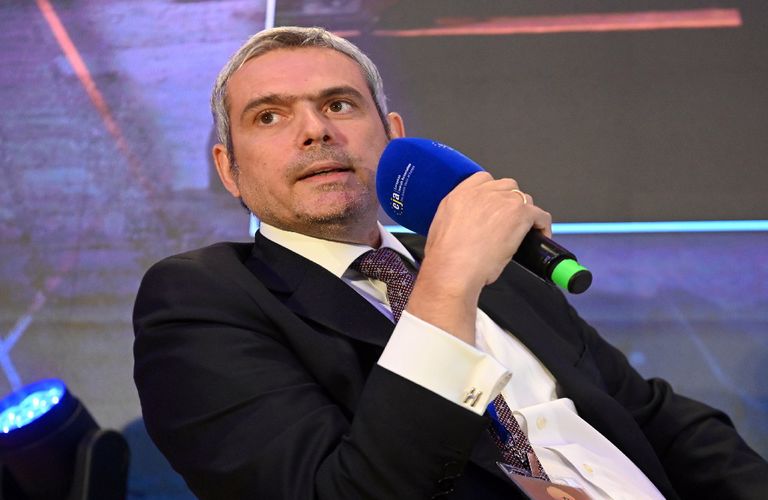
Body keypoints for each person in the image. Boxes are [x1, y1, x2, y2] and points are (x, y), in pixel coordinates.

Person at [133, 26, 768, 499]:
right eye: (269, 116)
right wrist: (448, 282)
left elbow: (659, 421)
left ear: (394, 136)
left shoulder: (497, 269)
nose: (315, 131)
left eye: (339, 105)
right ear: (229, 170)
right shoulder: (200, 300)